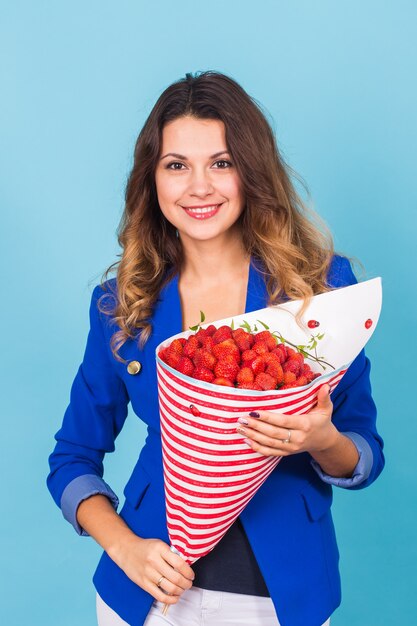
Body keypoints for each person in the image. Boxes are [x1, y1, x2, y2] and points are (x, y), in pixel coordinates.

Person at [46, 71, 384, 626]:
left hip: (285, 597)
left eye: (221, 163)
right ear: (152, 180)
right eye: (176, 165)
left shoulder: (320, 290)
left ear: (251, 173)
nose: (199, 187)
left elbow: (363, 453)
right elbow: (71, 460)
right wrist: (126, 548)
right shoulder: (121, 306)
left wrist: (322, 440)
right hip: (148, 597)